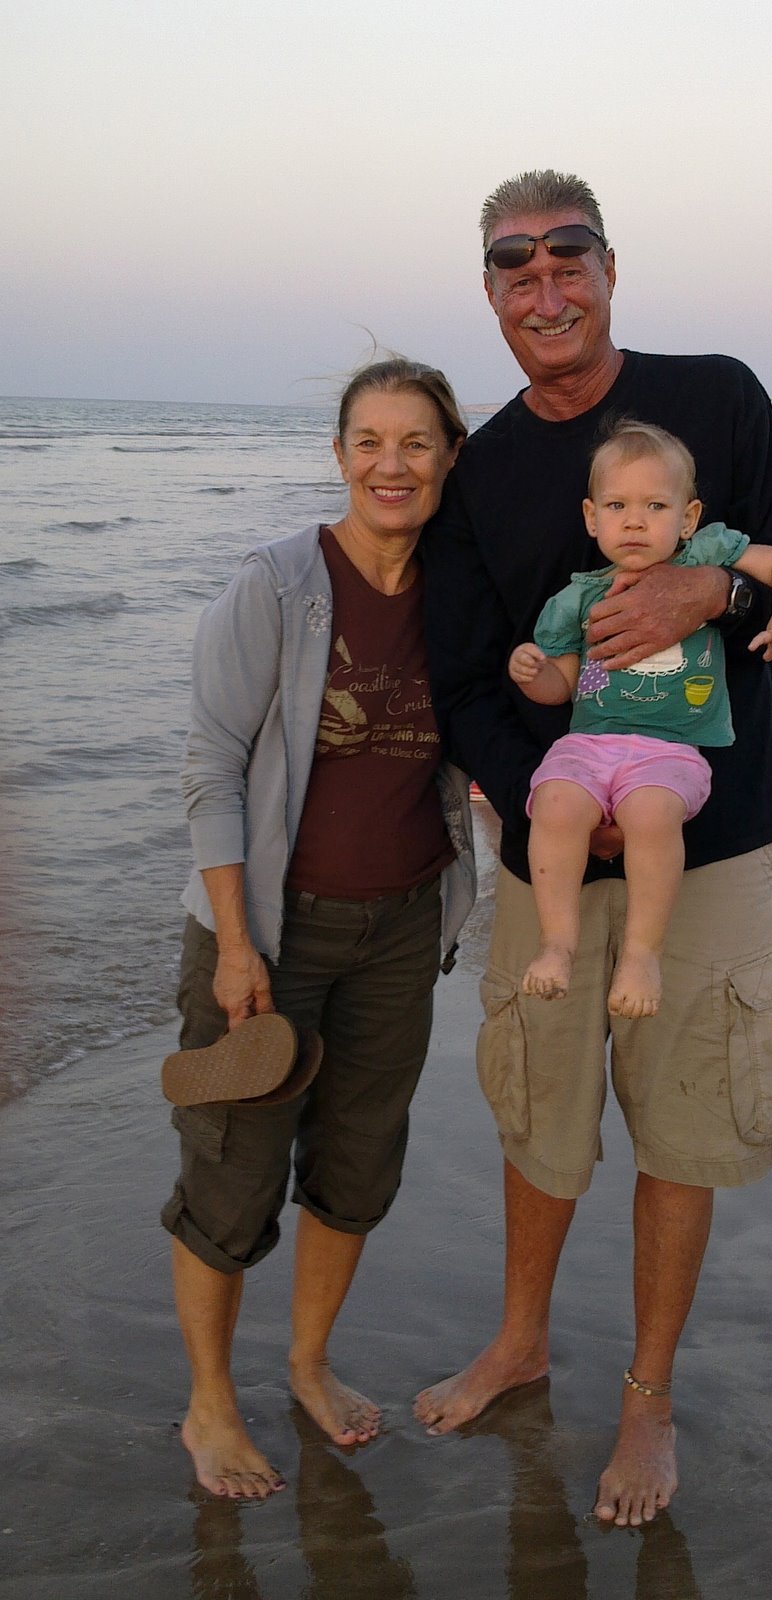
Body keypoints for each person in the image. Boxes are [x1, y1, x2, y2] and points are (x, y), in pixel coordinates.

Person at [415, 169, 772, 1528]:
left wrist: (707, 589)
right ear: (491, 293)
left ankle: (648, 1398)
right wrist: (540, 789)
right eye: (514, 265)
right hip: (553, 832)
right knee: (540, 1101)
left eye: (567, 255)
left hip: (710, 831)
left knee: (688, 1112)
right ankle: (520, 1340)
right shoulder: (479, 470)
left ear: (607, 267)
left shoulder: (719, 396)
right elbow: (467, 674)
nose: (545, 285)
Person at [163, 356, 476, 1500]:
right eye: (370, 442)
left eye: (416, 442)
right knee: (233, 1174)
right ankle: (208, 1404)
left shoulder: (459, 592)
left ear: (449, 457)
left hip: (401, 931)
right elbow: (212, 768)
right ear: (340, 454)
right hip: (268, 937)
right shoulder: (276, 584)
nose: (392, 464)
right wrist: (237, 944)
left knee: (356, 1165)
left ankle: (306, 1363)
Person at [509, 420, 772, 1019]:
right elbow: (562, 687)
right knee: (554, 803)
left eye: (655, 506)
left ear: (688, 517)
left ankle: (642, 955)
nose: (635, 522)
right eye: (617, 506)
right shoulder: (577, 598)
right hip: (590, 743)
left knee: (650, 812)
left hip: (669, 749)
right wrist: (532, 673)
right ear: (591, 517)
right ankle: (557, 944)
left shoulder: (705, 556)